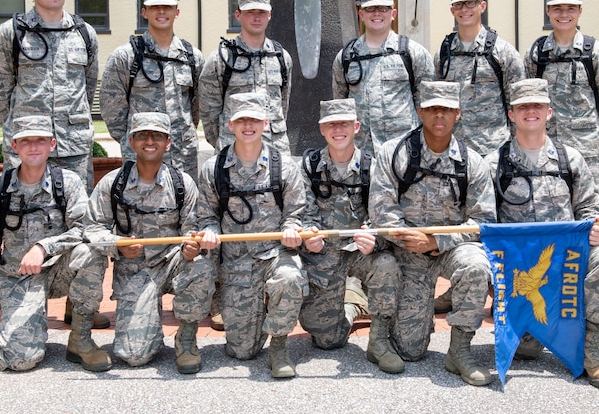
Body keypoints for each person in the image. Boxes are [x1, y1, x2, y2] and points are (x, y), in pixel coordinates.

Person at [485, 78, 599, 390]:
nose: (531, 111)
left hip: (567, 261)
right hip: (518, 270)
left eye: (537, 105)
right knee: (527, 350)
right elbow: (483, 219)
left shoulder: (570, 159)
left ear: (549, 112)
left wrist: (595, 226)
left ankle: (590, 350)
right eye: (523, 106)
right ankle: (525, 332)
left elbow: (590, 206)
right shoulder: (494, 164)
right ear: (511, 114)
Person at [369, 81, 497, 386]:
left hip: (452, 249)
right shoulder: (394, 153)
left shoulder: (472, 162)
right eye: (432, 108)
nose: (440, 115)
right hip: (408, 251)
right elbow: (381, 210)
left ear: (458, 114)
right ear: (420, 111)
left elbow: (482, 219)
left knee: (476, 266)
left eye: (447, 109)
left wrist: (437, 241)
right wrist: (408, 238)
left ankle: (459, 351)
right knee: (410, 351)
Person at [0, 116, 110, 372]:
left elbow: (84, 228)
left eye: (40, 140)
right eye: (26, 141)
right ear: (14, 146)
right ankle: (28, 321)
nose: (33, 146)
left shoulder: (68, 182)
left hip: (58, 271)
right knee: (19, 360)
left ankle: (80, 339)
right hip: (18, 278)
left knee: (91, 252)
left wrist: (44, 247)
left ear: (52, 144)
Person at [84, 112, 215, 373]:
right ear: (131, 142)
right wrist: (117, 244)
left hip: (172, 263)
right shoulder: (113, 183)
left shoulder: (182, 183)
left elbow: (192, 230)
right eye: (142, 135)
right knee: (133, 356)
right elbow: (92, 228)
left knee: (201, 266)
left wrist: (191, 248)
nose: (150, 141)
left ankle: (186, 340)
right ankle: (148, 330)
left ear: (168, 143)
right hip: (134, 271)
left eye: (158, 136)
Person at [196, 92, 308, 378]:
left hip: (274, 255)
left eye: (255, 120)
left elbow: (296, 213)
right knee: (242, 351)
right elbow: (207, 216)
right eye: (242, 120)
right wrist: (210, 231)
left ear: (266, 123)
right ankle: (257, 318)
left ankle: (279, 346)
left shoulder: (284, 167)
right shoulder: (213, 169)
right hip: (236, 263)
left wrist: (291, 229)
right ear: (230, 124)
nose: (248, 125)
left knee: (290, 277)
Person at [432, 0, 525, 314]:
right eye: (459, 4)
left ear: (482, 6)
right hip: (456, 154)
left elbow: (518, 104)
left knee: (496, 222)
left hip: (493, 154)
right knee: (459, 221)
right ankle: (461, 285)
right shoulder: (444, 52)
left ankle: (503, 289)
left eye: (471, 3)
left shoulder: (503, 52)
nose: (465, 9)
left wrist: (512, 150)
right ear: (452, 10)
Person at [297, 98, 403, 374]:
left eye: (344, 124)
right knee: (327, 340)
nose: (338, 130)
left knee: (386, 264)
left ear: (356, 127)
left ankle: (379, 340)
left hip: (359, 252)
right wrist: (309, 235)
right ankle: (352, 305)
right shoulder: (309, 166)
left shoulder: (373, 166)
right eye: (331, 124)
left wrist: (374, 240)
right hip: (324, 254)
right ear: (321, 129)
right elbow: (303, 212)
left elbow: (384, 216)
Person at [0, 0, 99, 191]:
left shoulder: (84, 33)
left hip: (73, 145)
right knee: (22, 206)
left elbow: (88, 85)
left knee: (77, 207)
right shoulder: (12, 32)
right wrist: (17, 123)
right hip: (28, 143)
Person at [100, 0, 204, 180]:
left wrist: (182, 132)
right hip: (141, 155)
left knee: (185, 198)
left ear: (177, 12)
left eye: (167, 7)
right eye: (155, 7)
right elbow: (111, 106)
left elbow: (197, 106)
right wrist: (133, 139)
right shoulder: (126, 56)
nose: (161, 11)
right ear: (144, 12)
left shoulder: (192, 57)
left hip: (183, 156)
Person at [525, 0, 599, 197]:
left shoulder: (595, 52)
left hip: (586, 151)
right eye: (557, 8)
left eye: (571, 8)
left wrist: (589, 138)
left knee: (589, 207)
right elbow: (527, 102)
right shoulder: (537, 54)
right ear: (548, 11)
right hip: (545, 149)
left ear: (580, 11)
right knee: (546, 205)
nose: (564, 14)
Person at [332, 0, 435, 157]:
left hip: (403, 150)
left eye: (383, 8)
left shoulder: (413, 53)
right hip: (360, 152)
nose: (377, 13)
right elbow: (340, 105)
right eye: (370, 8)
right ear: (361, 14)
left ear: (393, 14)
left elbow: (427, 105)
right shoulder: (346, 57)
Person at [199, 0, 292, 154]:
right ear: (238, 15)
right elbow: (208, 113)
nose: (256, 17)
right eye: (250, 12)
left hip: (275, 150)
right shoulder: (221, 59)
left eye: (262, 12)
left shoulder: (281, 57)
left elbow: (283, 104)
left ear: (269, 15)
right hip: (233, 151)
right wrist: (226, 139)